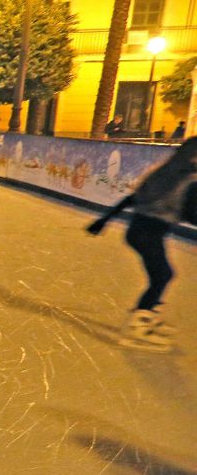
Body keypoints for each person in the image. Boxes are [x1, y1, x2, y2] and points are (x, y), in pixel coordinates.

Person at [87, 136, 197, 351]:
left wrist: (104, 220)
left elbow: (132, 198)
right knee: (162, 275)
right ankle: (138, 325)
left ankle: (148, 314)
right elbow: (192, 215)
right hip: (149, 232)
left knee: (161, 275)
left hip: (137, 230)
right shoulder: (188, 180)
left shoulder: (162, 172)